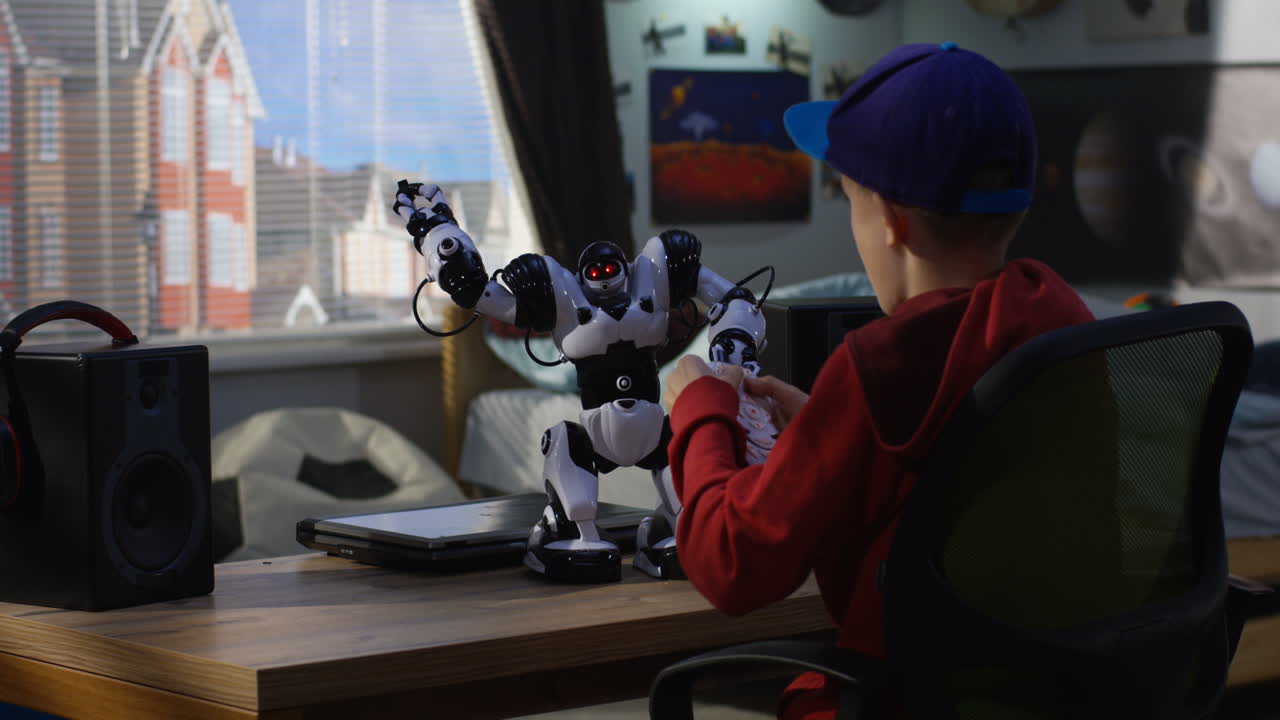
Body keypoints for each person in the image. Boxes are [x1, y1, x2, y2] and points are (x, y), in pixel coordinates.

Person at [662, 42, 1096, 719]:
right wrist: (822, 426)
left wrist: (700, 411)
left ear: (890, 221)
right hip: (1049, 694)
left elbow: (732, 565)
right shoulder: (1060, 321)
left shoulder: (882, 362)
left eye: (852, 202)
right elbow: (962, 479)